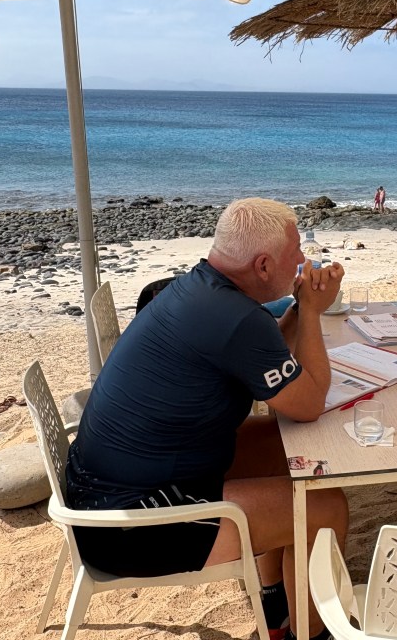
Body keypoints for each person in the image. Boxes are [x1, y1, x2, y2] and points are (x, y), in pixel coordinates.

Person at [67, 198, 349, 640]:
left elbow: (263, 351)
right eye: (295, 251)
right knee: (325, 507)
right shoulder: (235, 319)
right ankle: (308, 636)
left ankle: (274, 601)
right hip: (126, 525)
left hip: (114, 483)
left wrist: (298, 307)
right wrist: (313, 310)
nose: (303, 259)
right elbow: (310, 401)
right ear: (261, 266)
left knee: (291, 449)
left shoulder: (201, 288)